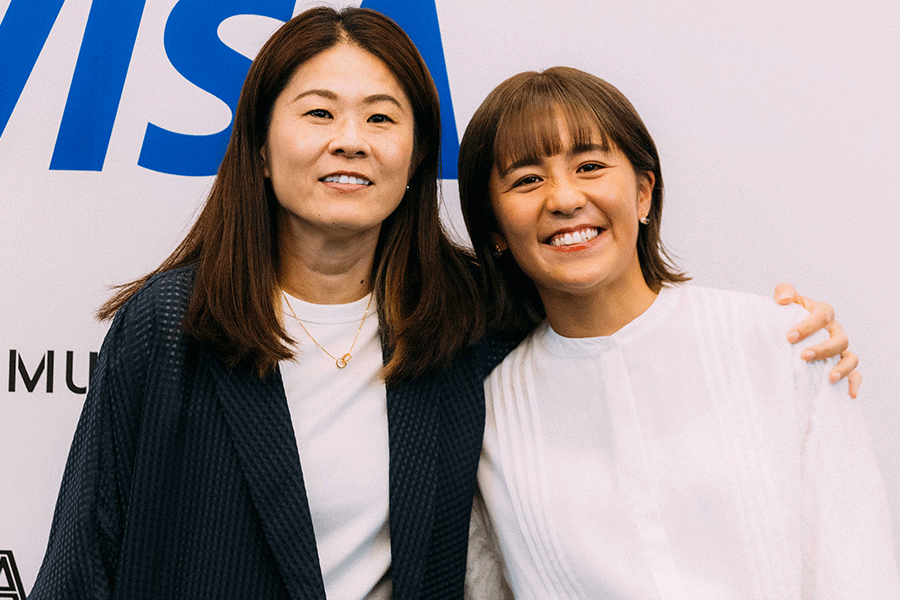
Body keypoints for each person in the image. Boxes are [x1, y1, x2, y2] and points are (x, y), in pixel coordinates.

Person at [29, 7, 857, 600]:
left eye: (381, 117)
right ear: (259, 144)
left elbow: (612, 334)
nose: (348, 139)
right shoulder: (173, 326)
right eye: (317, 112)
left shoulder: (470, 325)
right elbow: (82, 560)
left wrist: (779, 342)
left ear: (416, 154)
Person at [458, 66, 899, 598]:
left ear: (643, 193)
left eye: (590, 165)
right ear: (494, 229)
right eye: (527, 179)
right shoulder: (484, 413)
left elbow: (856, 563)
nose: (565, 198)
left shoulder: (785, 341)